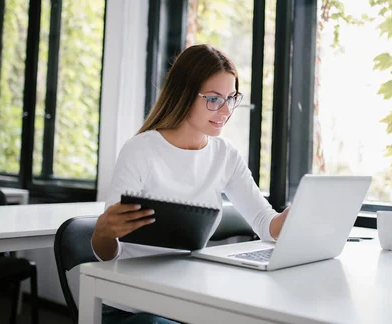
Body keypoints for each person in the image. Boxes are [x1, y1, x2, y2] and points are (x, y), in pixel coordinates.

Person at [91, 44, 290, 323]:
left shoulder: (225, 154)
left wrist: (295, 218)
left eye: (231, 98)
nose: (225, 110)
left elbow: (266, 224)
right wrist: (102, 233)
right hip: (132, 305)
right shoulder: (140, 150)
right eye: (213, 99)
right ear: (184, 94)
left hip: (186, 296)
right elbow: (109, 253)